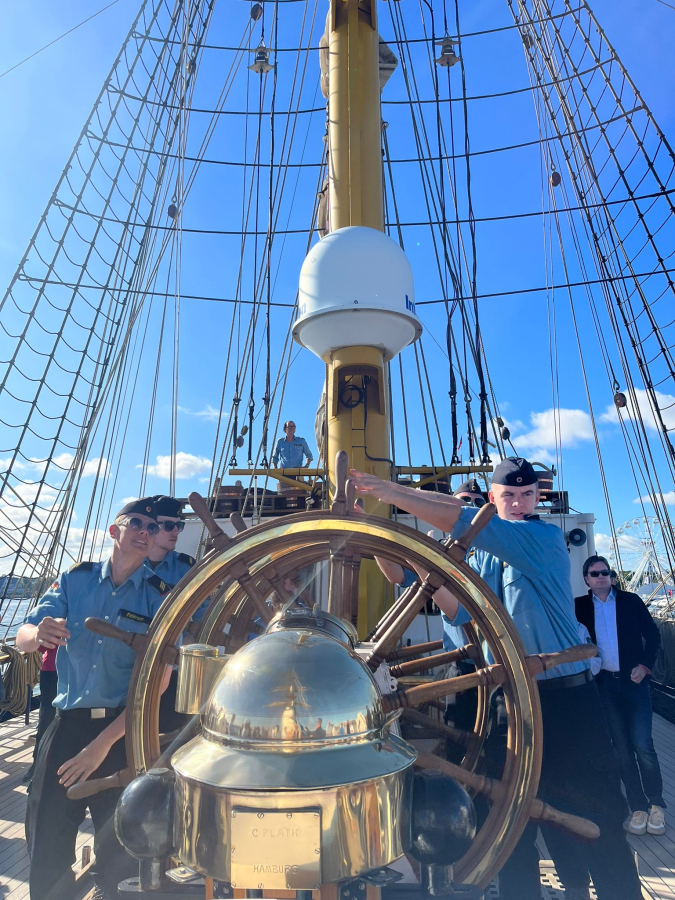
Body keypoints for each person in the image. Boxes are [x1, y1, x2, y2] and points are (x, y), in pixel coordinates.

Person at [350, 457, 642, 900]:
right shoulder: (482, 557)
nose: (519, 502)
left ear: (538, 497)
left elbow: (459, 518)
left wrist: (390, 493)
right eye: (509, 495)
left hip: (567, 704)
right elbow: (453, 606)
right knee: (507, 824)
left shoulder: (544, 539)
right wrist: (376, 531)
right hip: (509, 702)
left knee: (594, 811)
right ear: (494, 498)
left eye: (527, 495)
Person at [16, 499, 172, 900]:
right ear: (114, 531)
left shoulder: (160, 598)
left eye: (153, 528)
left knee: (121, 848)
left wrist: (101, 746)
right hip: (66, 726)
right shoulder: (75, 580)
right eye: (136, 523)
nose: (145, 531)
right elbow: (23, 637)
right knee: (48, 840)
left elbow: (158, 682)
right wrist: (38, 633)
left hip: (121, 733)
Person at [576, 555, 665, 836]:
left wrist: (645, 666)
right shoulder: (579, 607)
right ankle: (638, 806)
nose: (601, 576)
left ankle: (656, 804)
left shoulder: (630, 601)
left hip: (635, 683)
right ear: (586, 579)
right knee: (623, 750)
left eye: (605, 572)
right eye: (594, 573)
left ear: (611, 576)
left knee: (643, 745)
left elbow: (653, 636)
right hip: (605, 686)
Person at [23, 646, 58, 786]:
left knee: (72, 719)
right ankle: (37, 765)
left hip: (75, 671)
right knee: (46, 720)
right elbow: (40, 646)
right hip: (52, 671)